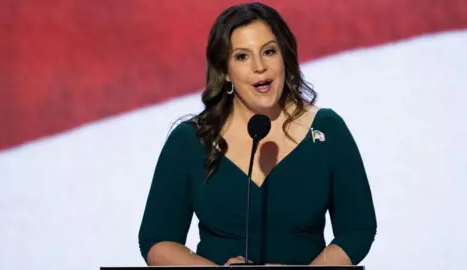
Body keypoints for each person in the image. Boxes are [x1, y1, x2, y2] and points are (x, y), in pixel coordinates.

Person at [138, 2, 377, 266]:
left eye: (269, 51)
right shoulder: (191, 140)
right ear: (225, 72)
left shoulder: (326, 131)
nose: (259, 66)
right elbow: (157, 240)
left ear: (284, 56)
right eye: (242, 56)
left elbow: (357, 230)